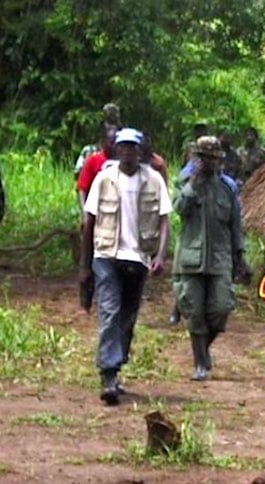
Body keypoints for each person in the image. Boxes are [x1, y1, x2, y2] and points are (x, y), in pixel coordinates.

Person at [79, 128, 171, 405]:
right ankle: (108, 374)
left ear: (141, 151)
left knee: (128, 317)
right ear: (117, 150)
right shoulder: (104, 179)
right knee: (109, 311)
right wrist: (85, 266)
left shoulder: (153, 180)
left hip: (139, 257)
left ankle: (116, 365)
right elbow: (89, 221)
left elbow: (165, 221)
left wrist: (161, 255)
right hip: (106, 255)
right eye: (124, 147)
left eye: (134, 147)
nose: (129, 152)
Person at [172, 136, 248, 381]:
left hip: (220, 258)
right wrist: (194, 182)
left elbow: (236, 226)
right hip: (191, 257)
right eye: (204, 158)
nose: (209, 163)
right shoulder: (185, 182)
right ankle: (199, 362)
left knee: (222, 307)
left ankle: (203, 349)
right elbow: (179, 209)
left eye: (213, 159)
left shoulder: (228, 188)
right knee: (194, 310)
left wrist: (241, 257)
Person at [76, 124, 118, 212]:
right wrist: (84, 214)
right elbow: (81, 189)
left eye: (117, 142)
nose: (114, 146)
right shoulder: (93, 160)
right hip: (96, 208)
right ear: (103, 142)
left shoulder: (125, 162)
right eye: (111, 142)